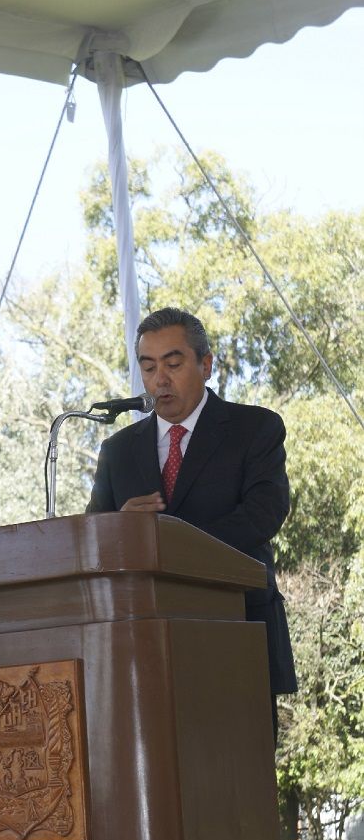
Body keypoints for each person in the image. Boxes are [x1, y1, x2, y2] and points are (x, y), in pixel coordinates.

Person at [87, 306, 297, 735]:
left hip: (235, 635)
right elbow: (95, 540)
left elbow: (263, 515)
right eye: (148, 368)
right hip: (142, 653)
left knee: (237, 785)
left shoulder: (254, 429)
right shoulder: (118, 451)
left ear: (206, 364)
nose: (159, 380)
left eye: (173, 363)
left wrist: (169, 544)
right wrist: (120, 528)